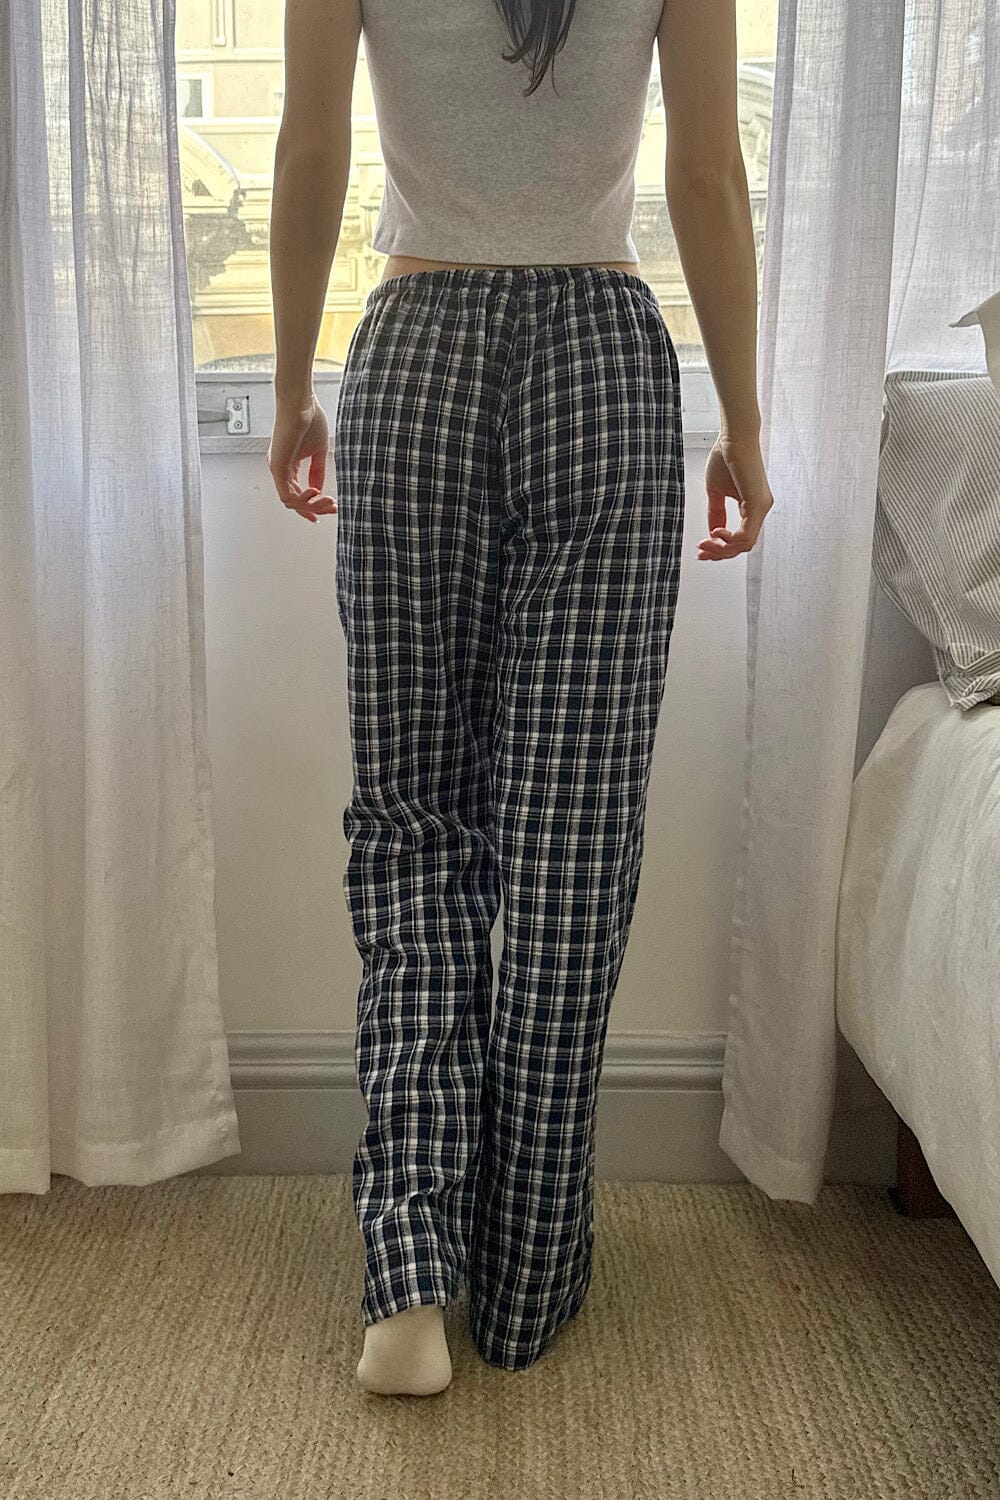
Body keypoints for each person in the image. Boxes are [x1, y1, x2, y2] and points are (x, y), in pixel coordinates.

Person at [267, 0, 774, 1396]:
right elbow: (706, 173)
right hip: (603, 365)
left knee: (414, 822)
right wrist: (742, 422)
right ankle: (530, 1272)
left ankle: (410, 1279)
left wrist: (297, 386)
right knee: (571, 846)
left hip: (416, 354)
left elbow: (309, 148)